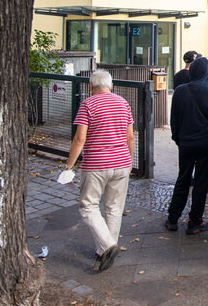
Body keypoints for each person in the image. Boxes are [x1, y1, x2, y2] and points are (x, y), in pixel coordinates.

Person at [65, 69, 135, 272]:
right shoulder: (123, 103)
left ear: (90, 86)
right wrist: (129, 160)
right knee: (114, 207)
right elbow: (130, 137)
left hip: (96, 164)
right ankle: (105, 249)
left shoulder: (87, 104)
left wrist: (69, 165)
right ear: (111, 85)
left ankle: (107, 246)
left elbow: (80, 139)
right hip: (121, 163)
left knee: (88, 206)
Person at [166, 57, 208, 235]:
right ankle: (195, 221)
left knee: (183, 178)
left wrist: (178, 138)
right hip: (206, 142)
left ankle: (173, 218)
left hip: (186, 142)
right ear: (207, 72)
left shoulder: (181, 91)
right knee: (201, 182)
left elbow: (174, 119)